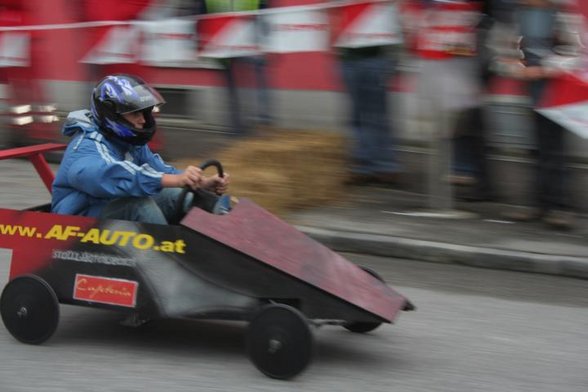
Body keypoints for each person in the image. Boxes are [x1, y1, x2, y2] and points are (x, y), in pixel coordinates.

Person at [51, 74, 230, 224]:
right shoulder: (86, 147)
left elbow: (160, 172)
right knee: (139, 206)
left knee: (178, 193)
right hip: (75, 225)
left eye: (146, 113)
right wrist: (174, 180)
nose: (144, 120)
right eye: (136, 113)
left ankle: (227, 234)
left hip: (109, 209)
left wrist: (200, 183)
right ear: (111, 114)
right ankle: (169, 261)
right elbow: (111, 176)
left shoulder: (129, 143)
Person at [499, 0, 581, 229]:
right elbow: (503, 49)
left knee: (554, 148)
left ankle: (560, 206)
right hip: (528, 88)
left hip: (557, 90)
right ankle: (538, 203)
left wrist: (544, 69)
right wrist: (514, 66)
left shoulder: (561, 16)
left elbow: (574, 52)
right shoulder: (516, 16)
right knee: (534, 147)